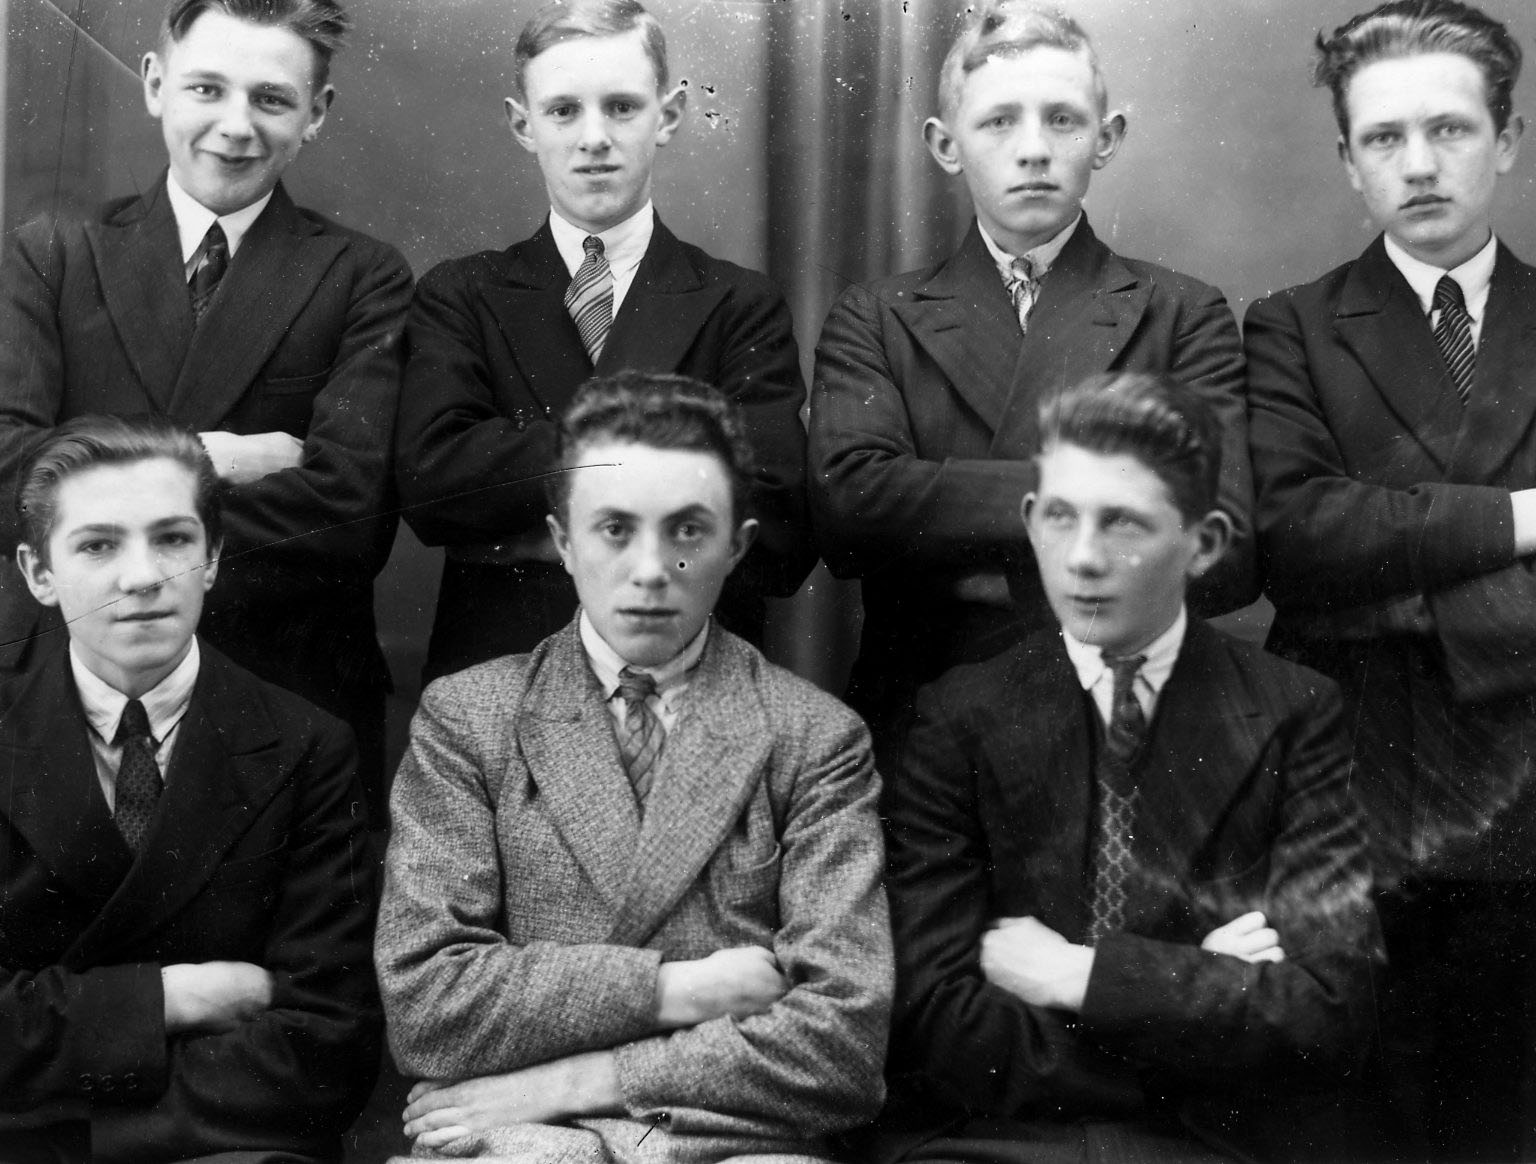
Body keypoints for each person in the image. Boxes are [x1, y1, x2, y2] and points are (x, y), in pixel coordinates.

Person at [1242, 3, 1536, 1160]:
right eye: (1384, 138)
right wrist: (1524, 517)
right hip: (1350, 798)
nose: (1419, 164)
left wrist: (1400, 602)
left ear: (1508, 139)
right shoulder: (1291, 329)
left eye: (1450, 129)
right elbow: (1296, 534)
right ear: (1347, 160)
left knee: (1512, 1136)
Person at [376, 372, 891, 1163]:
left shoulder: (814, 737)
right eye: (615, 528)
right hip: (516, 1142)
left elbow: (841, 1046)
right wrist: (675, 990)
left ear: (738, 545)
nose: (651, 569)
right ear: (563, 542)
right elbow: (427, 1008)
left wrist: (574, 1081)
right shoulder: (470, 719)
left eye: (687, 531)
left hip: (718, 1144)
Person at [868, 371, 1380, 1164]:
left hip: (1211, 1147)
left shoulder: (1295, 714)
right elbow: (935, 1018)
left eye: (1124, 523)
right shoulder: (959, 715)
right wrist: (1199, 988)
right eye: (1061, 517)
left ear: (1205, 543)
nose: (1083, 558)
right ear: (1030, 520)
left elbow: (1328, 1012)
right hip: (997, 1141)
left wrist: (1083, 976)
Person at [808, 0, 1256, 734]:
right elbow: (851, 511)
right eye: (998, 121)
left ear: (1106, 138)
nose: (1034, 149)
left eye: (1063, 119)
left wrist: (953, 530)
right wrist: (1117, 501)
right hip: (923, 715)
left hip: (1122, 715)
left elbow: (1227, 549)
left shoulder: (1181, 314)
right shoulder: (876, 316)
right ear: (946, 144)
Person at [0, 0, 410, 801]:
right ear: (156, 84)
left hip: (286, 689)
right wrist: (213, 457)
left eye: (271, 98)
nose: (235, 126)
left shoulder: (363, 275)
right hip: (66, 687)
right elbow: (5, 476)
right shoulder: (52, 254)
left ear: (317, 112)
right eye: (206, 89)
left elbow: (351, 515)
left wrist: (95, 508)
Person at [395, 0, 815, 682]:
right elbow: (434, 486)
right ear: (523, 124)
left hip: (691, 683)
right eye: (563, 110)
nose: (594, 137)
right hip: (504, 680)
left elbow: (780, 527)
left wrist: (523, 532)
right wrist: (677, 477)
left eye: (621, 107)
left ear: (668, 116)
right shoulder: (462, 294)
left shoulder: (739, 304)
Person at [0, 415, 380, 1164]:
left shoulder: (307, 747)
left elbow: (327, 1046)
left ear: (213, 559)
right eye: (98, 545)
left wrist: (54, 1113)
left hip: (229, 1151)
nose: (142, 576)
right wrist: (175, 998)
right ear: (37, 573)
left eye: (172, 539)